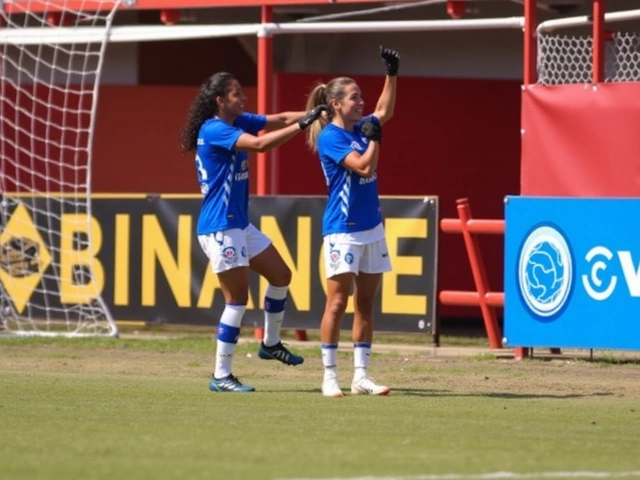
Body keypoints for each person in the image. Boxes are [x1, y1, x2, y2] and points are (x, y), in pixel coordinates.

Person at [180, 72, 327, 393]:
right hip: (220, 226)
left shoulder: (236, 121)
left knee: (281, 275)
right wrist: (304, 126)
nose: (242, 98)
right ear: (220, 101)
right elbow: (260, 145)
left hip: (238, 224)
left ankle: (270, 343)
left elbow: (280, 118)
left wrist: (319, 112)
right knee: (236, 302)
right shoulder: (215, 129)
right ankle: (221, 375)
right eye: (235, 94)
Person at [304, 47, 400, 397]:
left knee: (366, 303)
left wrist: (392, 73)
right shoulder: (332, 136)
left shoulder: (361, 127)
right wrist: (375, 138)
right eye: (354, 97)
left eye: (361, 96)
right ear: (336, 104)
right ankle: (329, 376)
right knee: (337, 303)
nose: (361, 102)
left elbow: (384, 112)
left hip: (371, 227)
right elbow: (364, 167)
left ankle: (361, 376)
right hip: (343, 230)